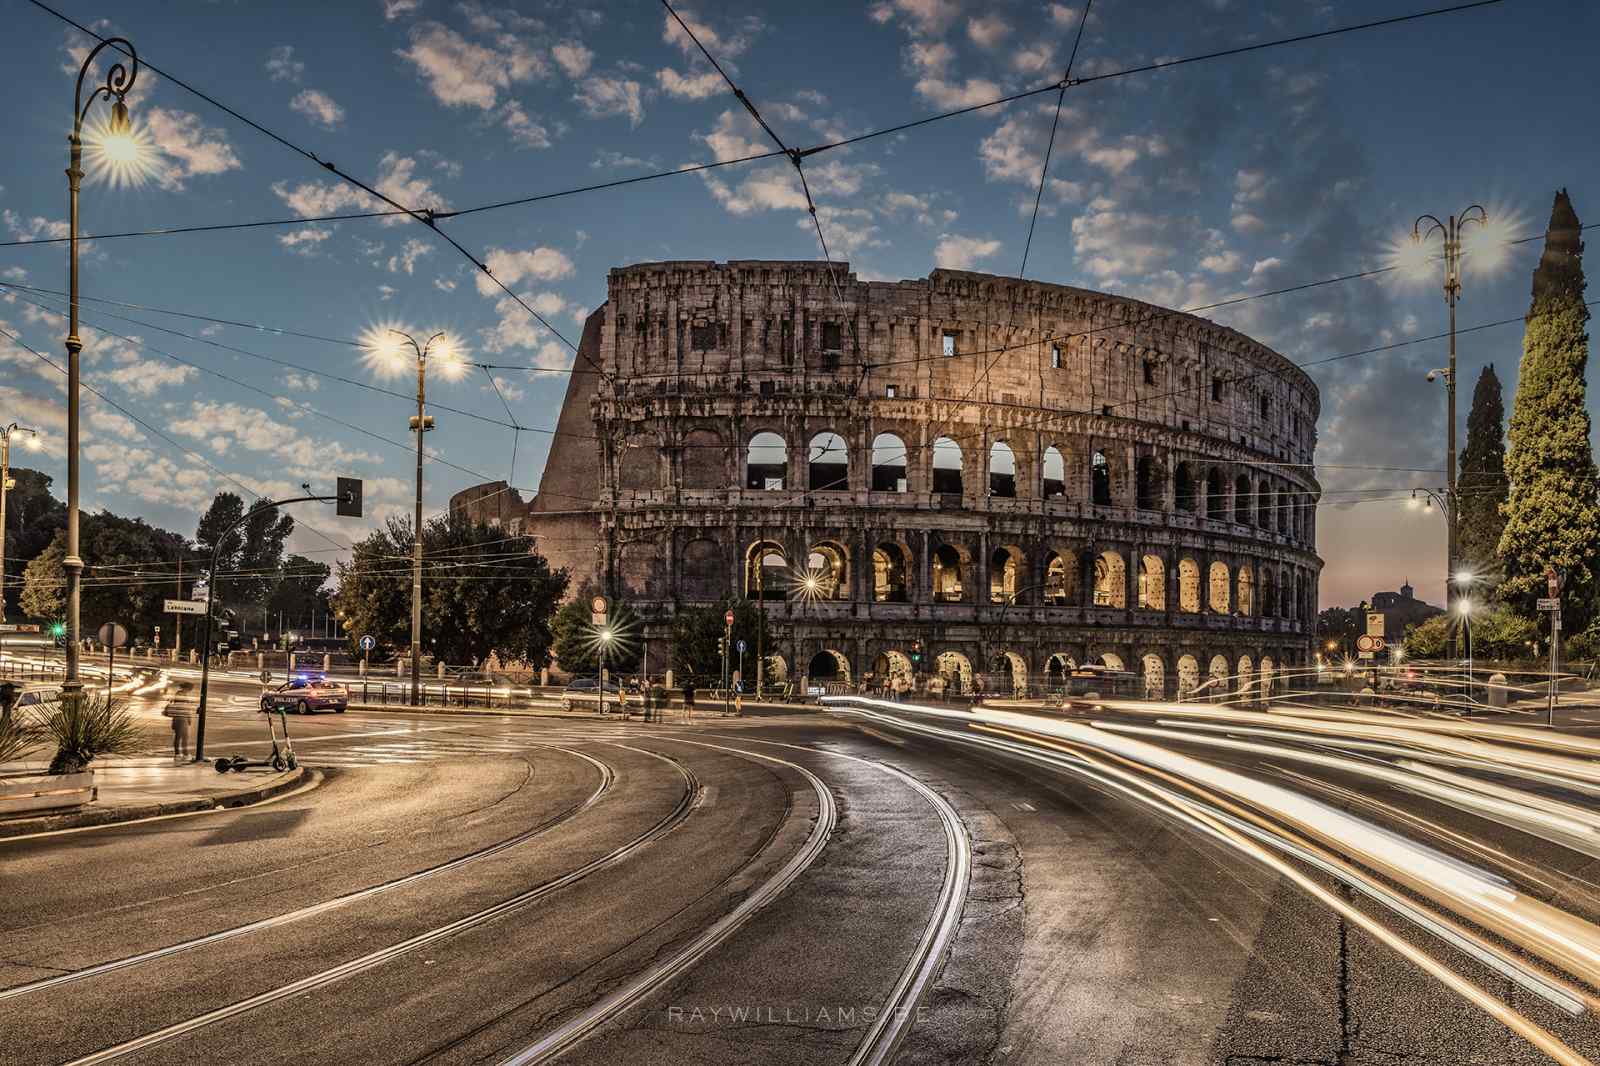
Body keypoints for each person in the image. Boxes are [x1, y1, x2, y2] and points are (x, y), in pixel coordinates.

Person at [164, 682, 198, 763]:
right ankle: (183, 755)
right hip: (181, 719)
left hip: (178, 718)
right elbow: (184, 707)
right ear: (187, 688)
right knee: (183, 737)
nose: (190, 691)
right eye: (190, 689)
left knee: (179, 737)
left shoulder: (180, 694)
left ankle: (179, 754)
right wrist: (188, 717)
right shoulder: (181, 694)